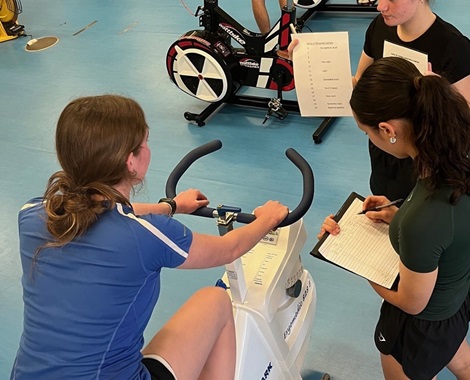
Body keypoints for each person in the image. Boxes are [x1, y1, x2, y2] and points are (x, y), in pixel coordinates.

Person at [11, 95, 289, 380]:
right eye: (145, 142)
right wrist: (269, 218)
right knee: (216, 300)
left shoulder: (32, 214)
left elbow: (98, 208)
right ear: (130, 161)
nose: (148, 149)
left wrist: (171, 206)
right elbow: (229, 249)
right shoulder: (145, 236)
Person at [320, 57, 470, 380]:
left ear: (387, 130)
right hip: (460, 291)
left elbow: (412, 303)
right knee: (465, 362)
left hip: (423, 323)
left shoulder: (422, 218)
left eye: (367, 132)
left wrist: (363, 266)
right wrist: (396, 214)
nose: (369, 139)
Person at [357, 0, 470, 202]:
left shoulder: (453, 46)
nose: (381, 6)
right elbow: (360, 81)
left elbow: (466, 121)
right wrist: (307, 63)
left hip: (425, 166)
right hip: (386, 150)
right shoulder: (380, 27)